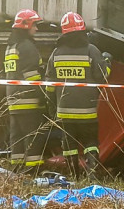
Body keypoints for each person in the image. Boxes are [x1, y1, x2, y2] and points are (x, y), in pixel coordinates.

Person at [46, 12, 111, 177]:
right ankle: (92, 174)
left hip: (65, 111)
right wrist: (107, 62)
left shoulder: (56, 54)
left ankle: (74, 176)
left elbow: (49, 85)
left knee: (69, 144)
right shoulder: (91, 51)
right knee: (90, 142)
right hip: (87, 110)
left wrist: (52, 106)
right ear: (82, 29)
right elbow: (102, 76)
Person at [5, 9, 49, 172]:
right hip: (28, 99)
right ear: (26, 25)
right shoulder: (27, 46)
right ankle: (33, 170)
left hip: (13, 99)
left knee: (16, 136)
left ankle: (17, 170)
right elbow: (32, 75)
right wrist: (43, 96)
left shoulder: (11, 46)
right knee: (33, 135)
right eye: (35, 25)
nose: (36, 29)